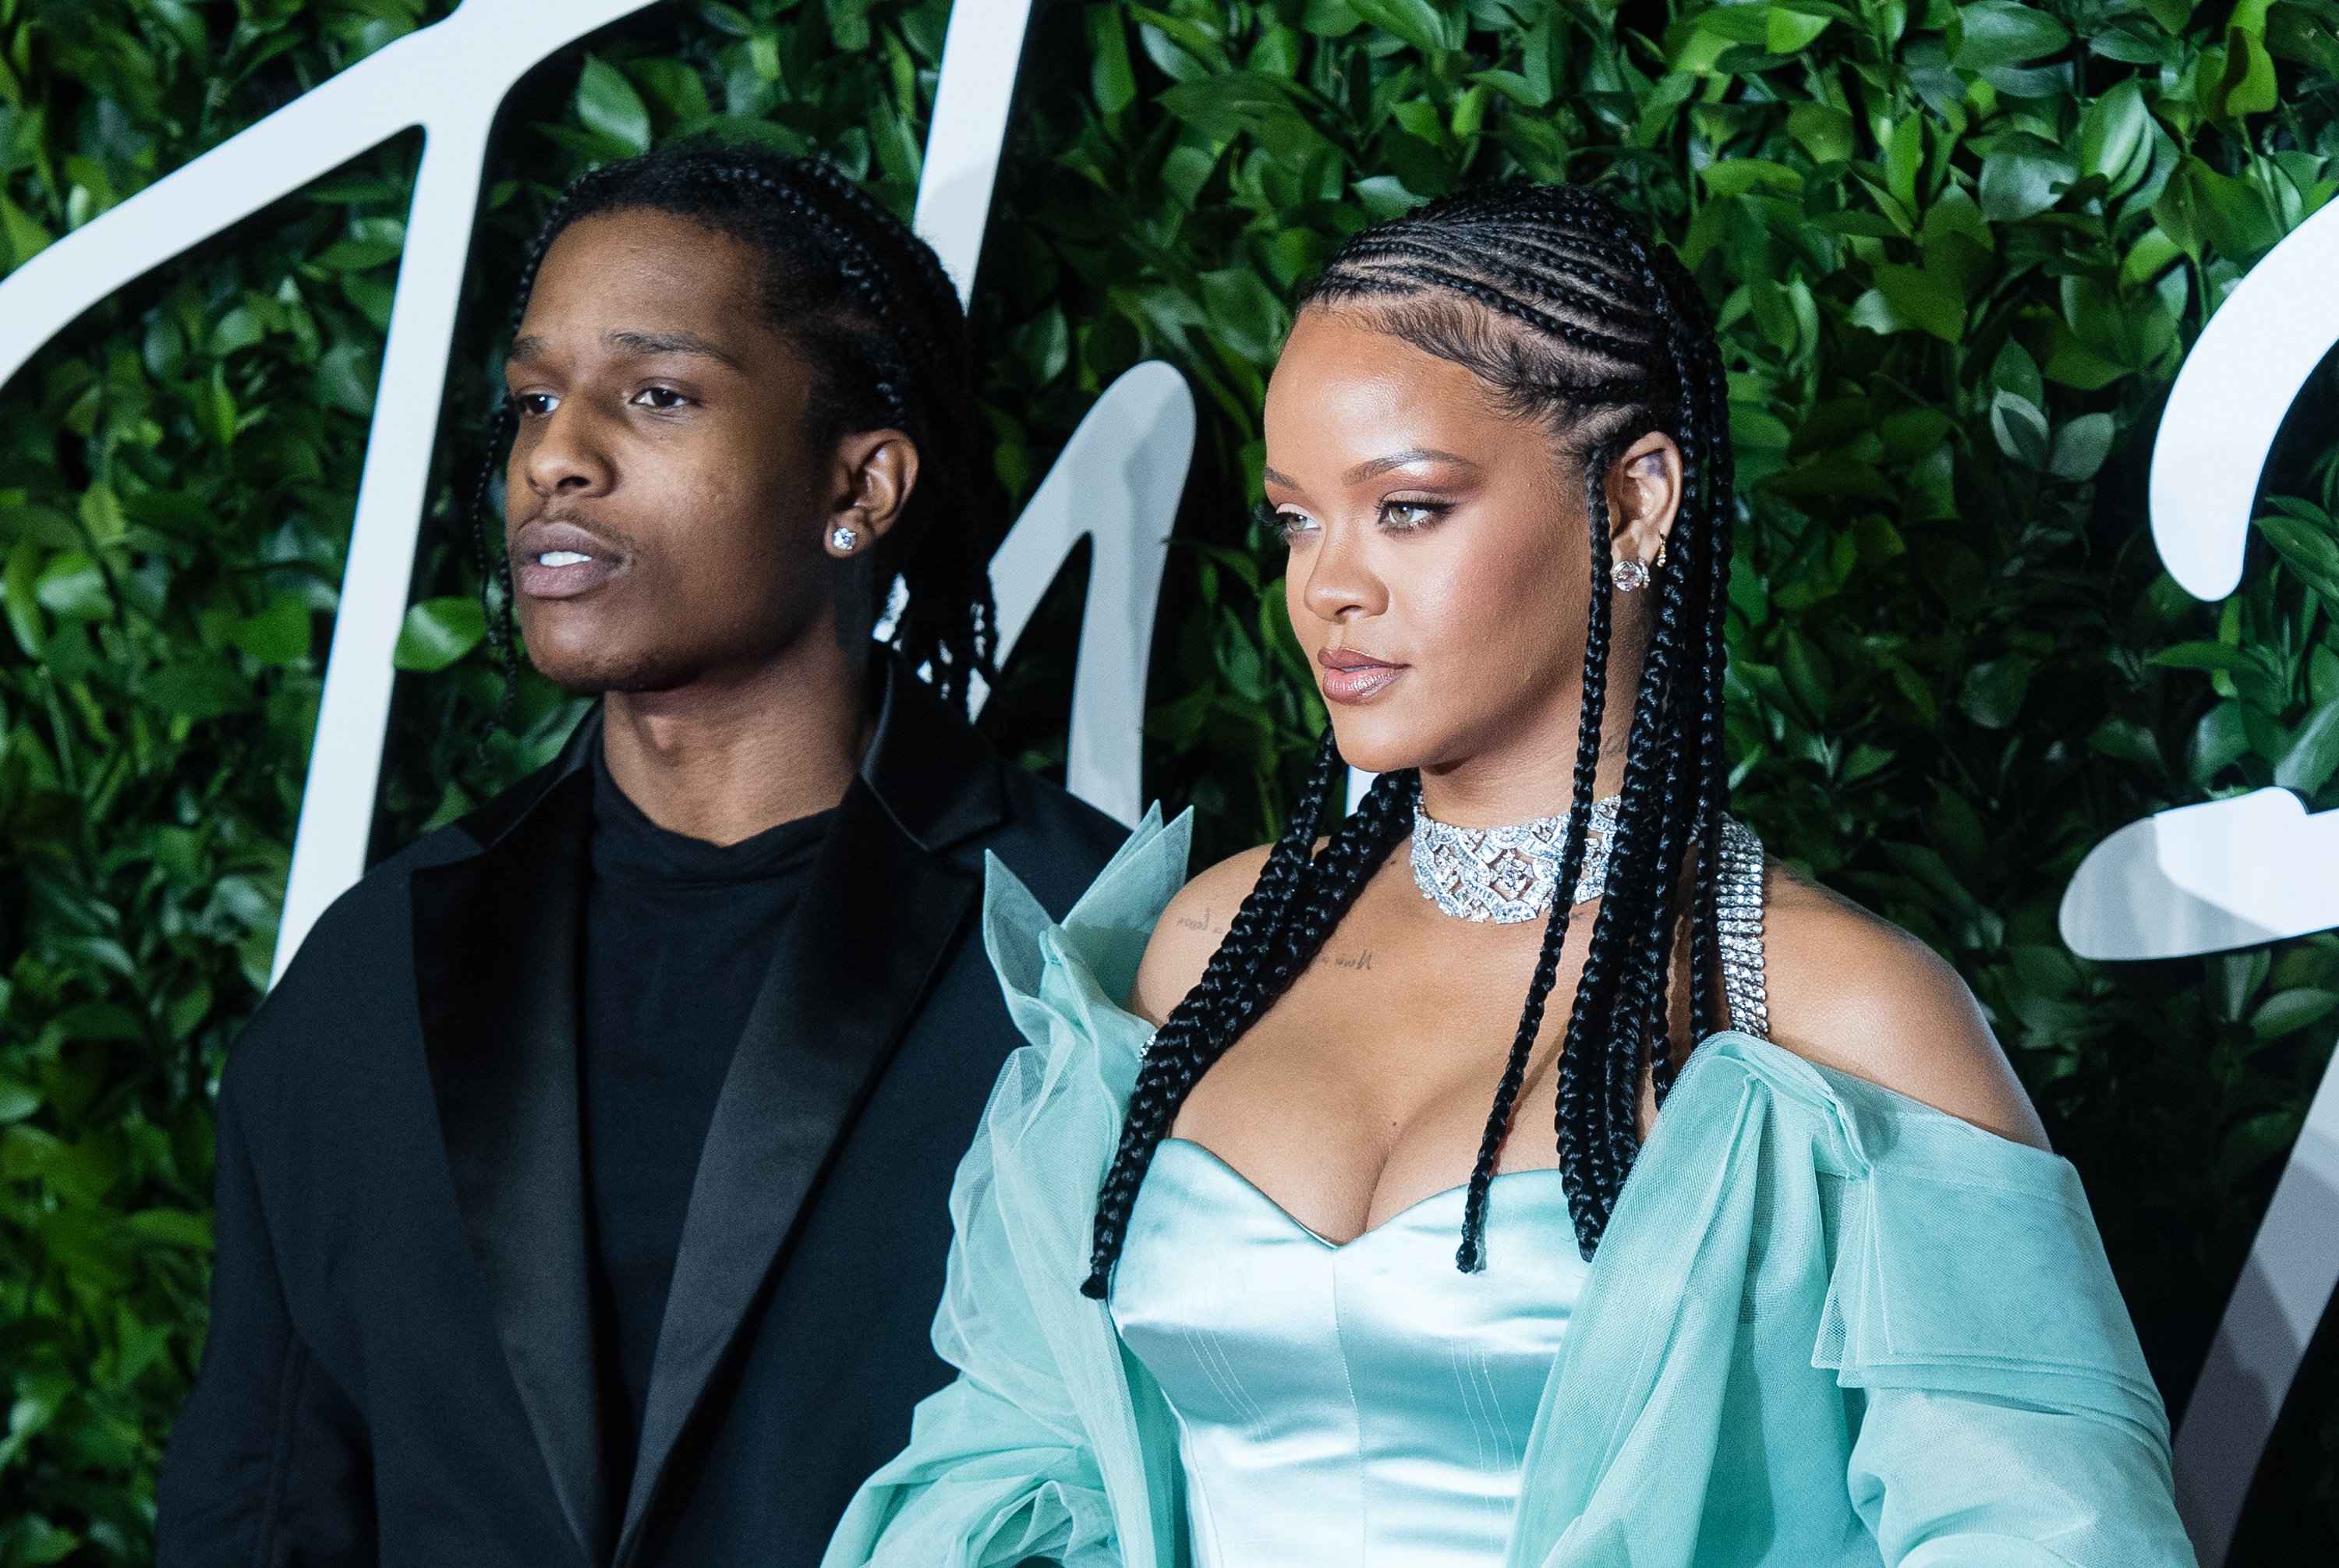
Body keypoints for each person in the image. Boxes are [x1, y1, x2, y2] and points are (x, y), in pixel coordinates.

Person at [823, 183, 2196, 1567]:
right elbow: (1010, 1460)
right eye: (1297, 522)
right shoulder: (1204, 952)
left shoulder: (1837, 1015)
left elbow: (2048, 1539)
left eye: (1407, 509)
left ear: (1637, 500)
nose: (1327, 589)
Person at [156, 142, 1123, 1568]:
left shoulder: (1087, 945)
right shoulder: (382, 964)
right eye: (534, 400)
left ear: (859, 484)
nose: (554, 454)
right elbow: (263, 1501)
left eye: (655, 395)